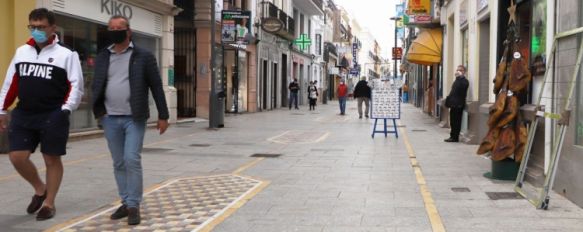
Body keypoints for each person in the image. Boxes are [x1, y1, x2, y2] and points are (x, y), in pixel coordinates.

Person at [0, 8, 84, 220]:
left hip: (53, 114)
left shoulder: (67, 54)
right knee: (17, 157)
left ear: (52, 28)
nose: (36, 31)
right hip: (24, 114)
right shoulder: (22, 52)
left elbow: (76, 85)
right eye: (33, 27)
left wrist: (65, 110)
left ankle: (49, 203)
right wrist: (1, 109)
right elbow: (10, 84)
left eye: (41, 27)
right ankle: (40, 188)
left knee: (51, 159)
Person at [92, 15, 169, 225]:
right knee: (118, 162)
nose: (115, 30)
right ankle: (125, 202)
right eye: (111, 28)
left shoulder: (143, 56)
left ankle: (134, 204)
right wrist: (97, 109)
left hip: (134, 117)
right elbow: (97, 83)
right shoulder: (102, 56)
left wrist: (163, 115)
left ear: (128, 31)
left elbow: (156, 86)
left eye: (119, 27)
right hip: (109, 117)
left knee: (131, 159)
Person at [444, 65, 469, 142]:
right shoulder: (456, 80)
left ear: (464, 72)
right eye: (457, 70)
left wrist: (460, 77)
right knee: (452, 121)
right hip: (453, 104)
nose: (458, 71)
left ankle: (455, 137)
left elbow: (463, 88)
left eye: (460, 70)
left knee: (456, 122)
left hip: (458, 105)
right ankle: (452, 136)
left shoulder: (464, 81)